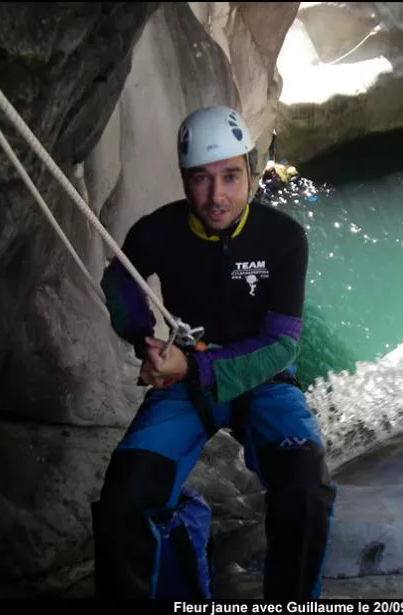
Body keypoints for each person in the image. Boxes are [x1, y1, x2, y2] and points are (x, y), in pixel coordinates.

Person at [91, 105, 336, 600]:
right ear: (185, 180)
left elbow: (281, 345)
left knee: (306, 491)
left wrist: (192, 365)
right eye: (201, 179)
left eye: (230, 176)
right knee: (125, 500)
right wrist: (142, 338)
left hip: (262, 380)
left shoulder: (282, 239)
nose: (216, 195)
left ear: (251, 173)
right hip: (185, 383)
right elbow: (120, 279)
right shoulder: (158, 232)